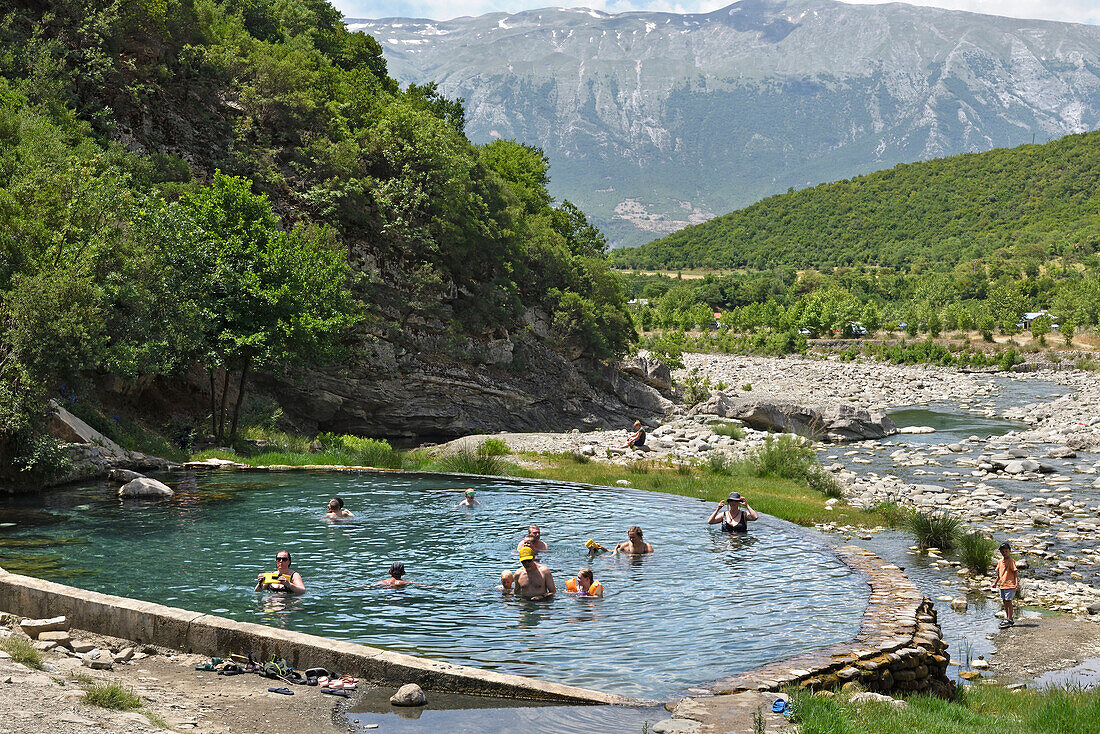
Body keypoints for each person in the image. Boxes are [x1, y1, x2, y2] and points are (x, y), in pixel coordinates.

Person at [992, 541, 1019, 628]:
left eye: (1006, 551)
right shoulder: (1000, 562)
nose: (1004, 553)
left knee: (1009, 601)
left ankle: (1010, 619)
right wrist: (995, 582)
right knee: (1004, 602)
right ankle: (1008, 618)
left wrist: (1016, 583)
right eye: (1003, 552)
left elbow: (1015, 573)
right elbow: (999, 574)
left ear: (1010, 551)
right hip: (1002, 585)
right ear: (1000, 552)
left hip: (1010, 585)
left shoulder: (1011, 561)